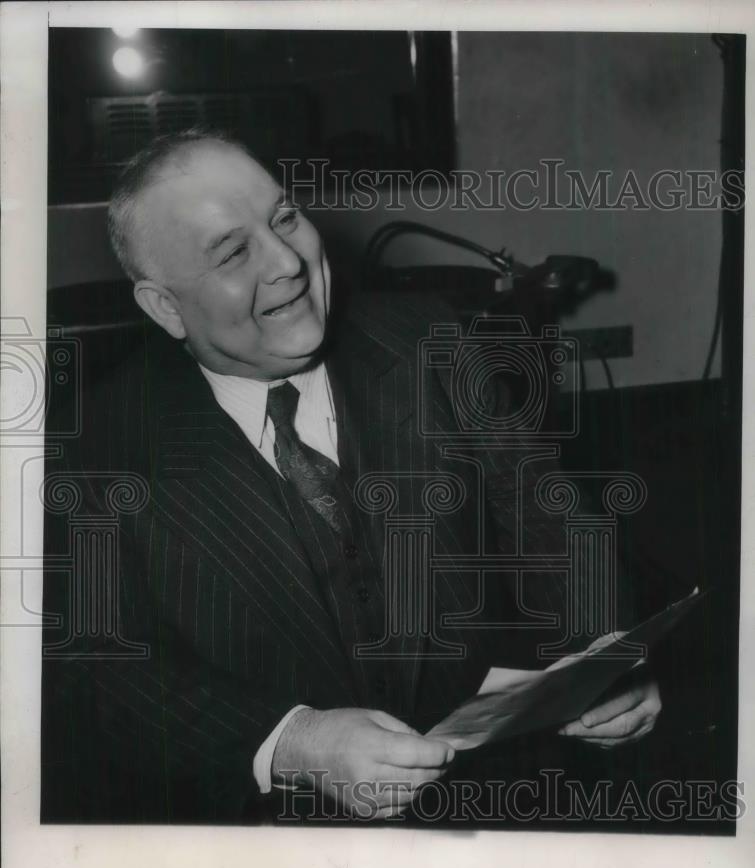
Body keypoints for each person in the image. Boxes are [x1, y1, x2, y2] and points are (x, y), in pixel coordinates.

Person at [41, 128, 661, 824]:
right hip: (262, 846)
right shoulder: (96, 447)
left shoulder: (432, 343)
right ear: (163, 307)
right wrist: (295, 741)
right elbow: (96, 673)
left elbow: (554, 525)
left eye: (283, 219)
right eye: (233, 251)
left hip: (494, 801)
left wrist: (605, 657)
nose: (287, 262)